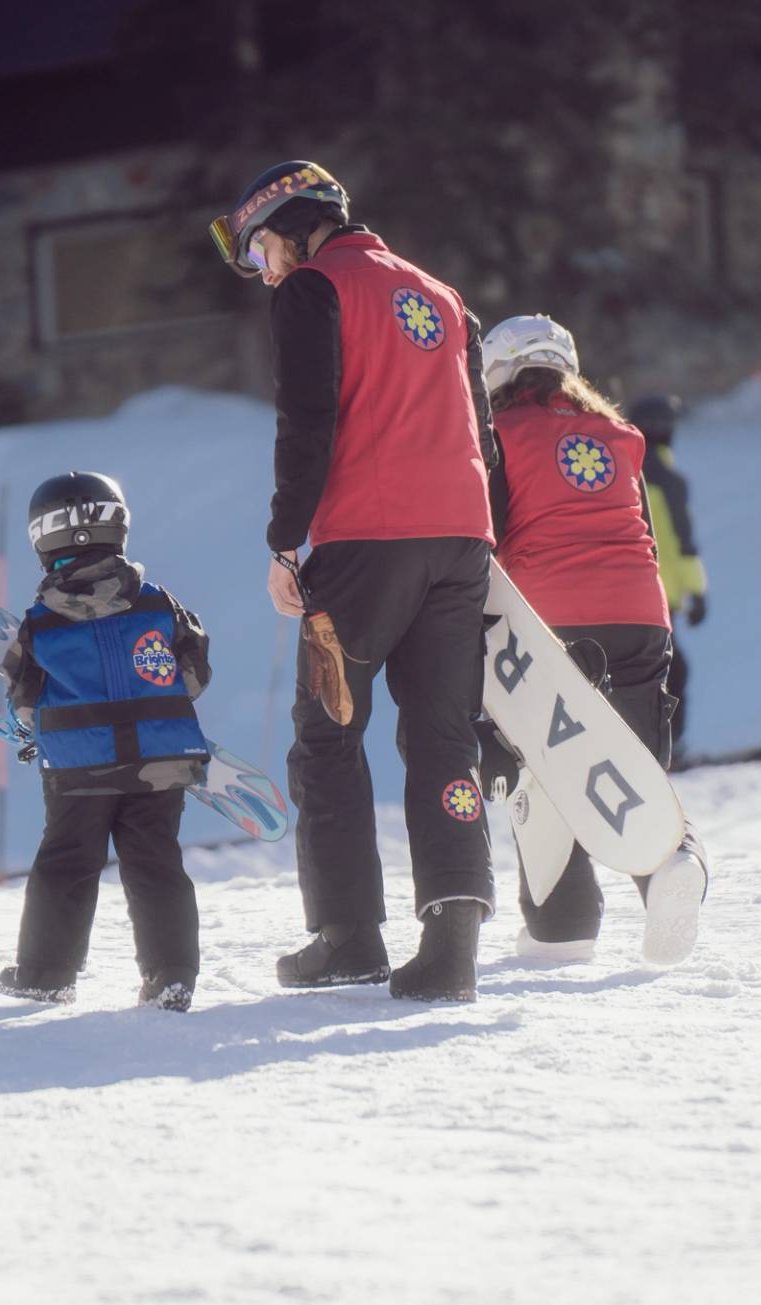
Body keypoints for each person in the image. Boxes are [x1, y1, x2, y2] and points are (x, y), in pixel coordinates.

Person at [210, 160, 499, 1001]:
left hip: (365, 544)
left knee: (329, 733)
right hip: (459, 543)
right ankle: (452, 948)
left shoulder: (312, 289)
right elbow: (483, 433)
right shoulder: (445, 299)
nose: (265, 268)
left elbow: (307, 420)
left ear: (294, 224)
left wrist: (283, 539)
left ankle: (348, 938)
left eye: (262, 248)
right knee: (446, 737)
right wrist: (489, 539)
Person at [481, 315, 708, 966]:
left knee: (546, 764)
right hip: (640, 615)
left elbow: (484, 542)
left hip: (549, 622)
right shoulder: (621, 435)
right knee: (632, 762)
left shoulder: (499, 434)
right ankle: (674, 862)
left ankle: (561, 921)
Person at [0, 472, 211, 1012]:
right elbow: (194, 675)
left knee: (67, 862)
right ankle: (171, 976)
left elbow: (25, 700)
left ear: (42, 539)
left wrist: (33, 721)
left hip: (78, 767)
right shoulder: (161, 604)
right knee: (156, 862)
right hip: (160, 761)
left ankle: (46, 974)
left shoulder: (40, 624)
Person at [630, 394, 707, 755]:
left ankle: (651, 746)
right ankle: (667, 748)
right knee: (674, 673)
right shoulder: (668, 480)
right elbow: (683, 542)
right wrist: (698, 590)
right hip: (660, 597)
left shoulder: (625, 472)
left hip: (629, 591)